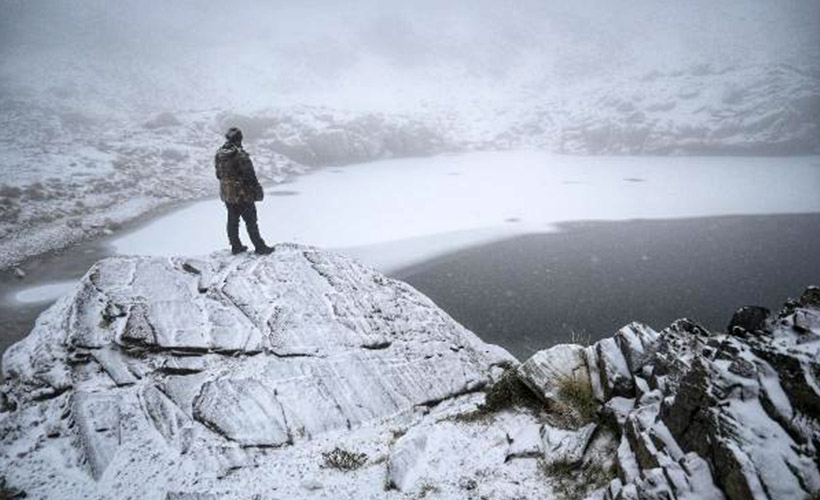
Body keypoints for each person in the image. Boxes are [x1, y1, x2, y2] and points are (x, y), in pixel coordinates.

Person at [214, 127, 274, 255]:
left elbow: (218, 175)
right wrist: (256, 190)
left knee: (232, 221)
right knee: (251, 221)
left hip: (228, 194)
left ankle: (236, 246)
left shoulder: (219, 154)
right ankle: (260, 247)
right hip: (243, 195)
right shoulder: (240, 155)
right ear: (239, 139)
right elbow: (250, 176)